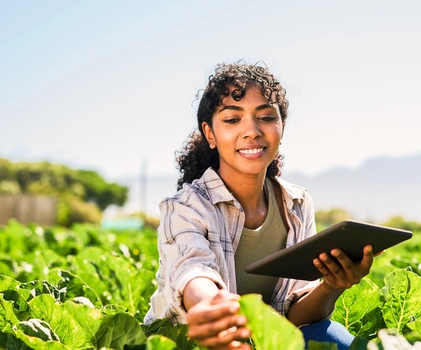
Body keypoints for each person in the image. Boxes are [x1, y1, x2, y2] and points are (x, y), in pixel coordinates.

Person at [144, 62, 375, 349]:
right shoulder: (186, 206)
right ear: (210, 134)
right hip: (193, 342)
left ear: (282, 126)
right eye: (232, 120)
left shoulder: (297, 203)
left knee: (332, 336)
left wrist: (331, 286)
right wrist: (210, 306)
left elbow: (294, 318)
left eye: (265, 117)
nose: (252, 131)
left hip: (262, 342)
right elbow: (191, 269)